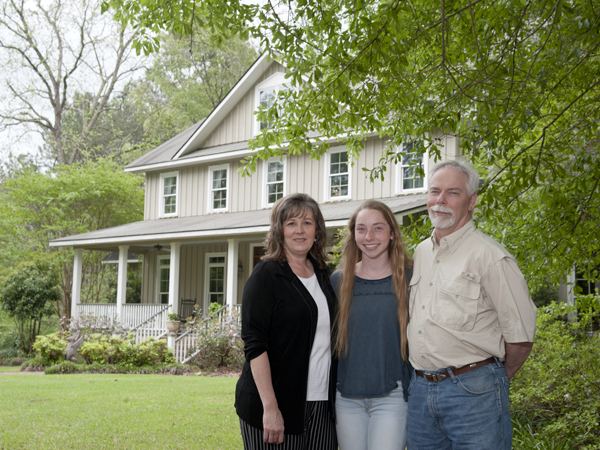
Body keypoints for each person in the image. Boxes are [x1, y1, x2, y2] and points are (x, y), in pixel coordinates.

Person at [406, 160, 537, 450]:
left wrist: (488, 380)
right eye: (435, 191)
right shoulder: (422, 252)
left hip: (473, 394)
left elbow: (521, 336)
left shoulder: (490, 256)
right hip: (419, 393)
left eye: (453, 193)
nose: (440, 201)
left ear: (471, 201)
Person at [235, 193, 338, 450]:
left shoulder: (323, 274)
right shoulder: (266, 275)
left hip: (321, 404)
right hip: (274, 404)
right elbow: (255, 344)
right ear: (279, 231)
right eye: (291, 223)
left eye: (307, 222)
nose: (300, 230)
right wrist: (270, 408)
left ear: (317, 230)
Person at [331, 200, 413, 450]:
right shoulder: (338, 281)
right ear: (353, 234)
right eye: (361, 228)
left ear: (391, 233)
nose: (369, 236)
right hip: (346, 398)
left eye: (378, 228)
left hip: (393, 396)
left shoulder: (410, 277)